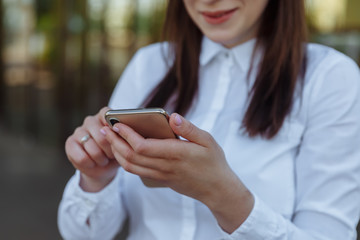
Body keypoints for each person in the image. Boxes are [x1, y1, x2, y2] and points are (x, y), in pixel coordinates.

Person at [58, 0, 360, 239]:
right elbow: (80, 234)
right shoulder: (148, 66)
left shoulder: (329, 79)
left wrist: (223, 195)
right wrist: (97, 178)